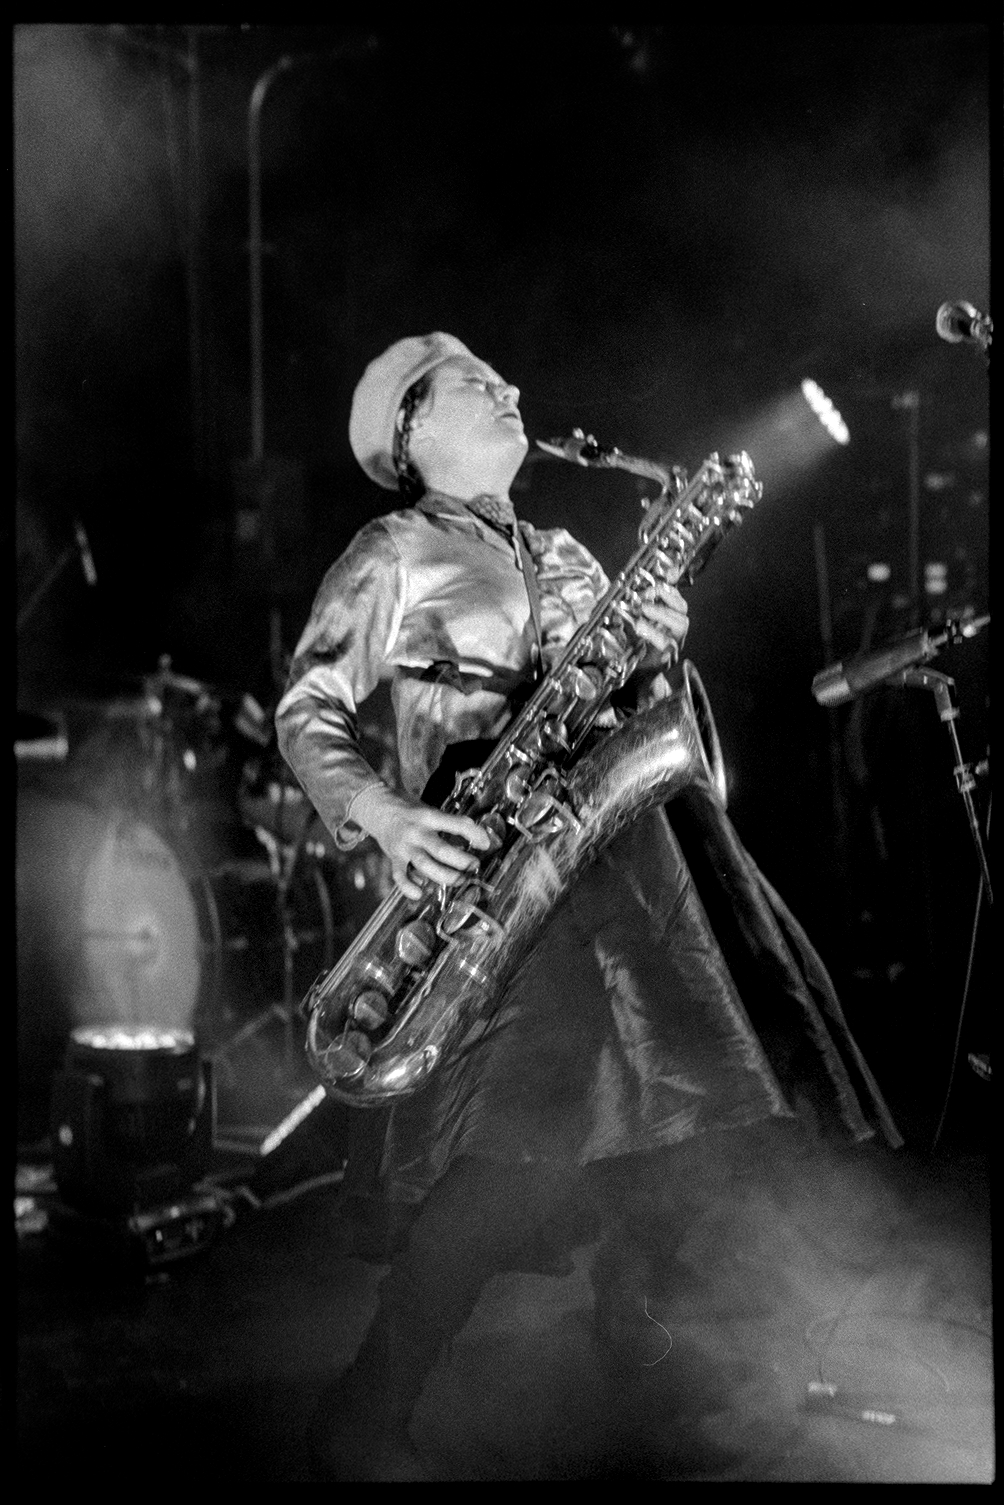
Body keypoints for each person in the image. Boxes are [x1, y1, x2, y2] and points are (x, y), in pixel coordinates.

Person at [275, 332, 902, 1480]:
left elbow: (631, 707)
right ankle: (367, 1407)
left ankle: (632, 1329)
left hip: (617, 858)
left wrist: (658, 652)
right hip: (494, 874)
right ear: (411, 428)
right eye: (477, 382)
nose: (511, 387)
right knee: (519, 1143)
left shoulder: (565, 552)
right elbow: (306, 706)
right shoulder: (390, 551)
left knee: (679, 1096)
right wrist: (386, 816)